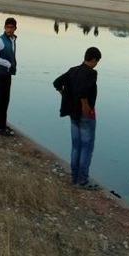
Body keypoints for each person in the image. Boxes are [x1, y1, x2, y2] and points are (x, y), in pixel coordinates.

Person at [53, 47, 102, 189]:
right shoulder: (91, 73)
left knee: (76, 146)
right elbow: (83, 90)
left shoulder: (73, 70)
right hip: (85, 115)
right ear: (93, 59)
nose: (96, 64)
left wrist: (63, 94)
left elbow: (56, 82)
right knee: (86, 147)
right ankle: (83, 180)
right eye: (97, 61)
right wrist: (85, 104)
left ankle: (75, 178)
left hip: (73, 114)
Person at [0, 17, 18, 136]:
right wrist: (8, 64)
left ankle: (2, 124)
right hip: (0, 74)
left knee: (5, 100)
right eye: (7, 27)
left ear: (15, 28)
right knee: (1, 100)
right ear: (4, 27)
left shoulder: (12, 39)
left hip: (7, 74)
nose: (9, 29)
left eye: (11, 27)